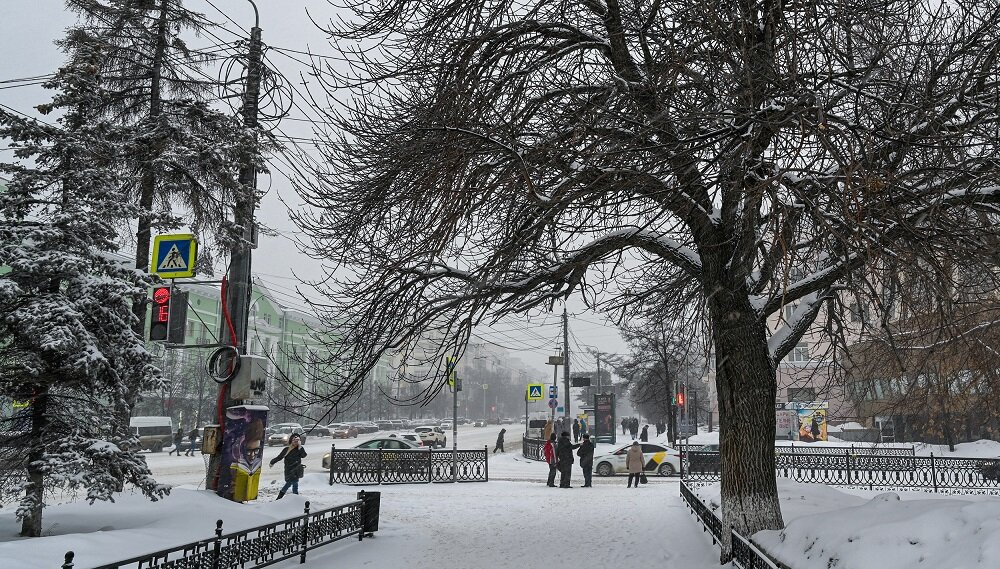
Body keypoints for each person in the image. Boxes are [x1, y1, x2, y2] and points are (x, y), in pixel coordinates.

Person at [270, 433, 307, 499]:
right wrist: (272, 462)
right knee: (292, 483)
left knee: (292, 483)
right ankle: (295, 498)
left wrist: (300, 447)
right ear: (291, 441)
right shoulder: (287, 449)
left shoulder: (300, 449)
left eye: (297, 441)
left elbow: (304, 455)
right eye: (294, 441)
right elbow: (279, 457)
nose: (295, 443)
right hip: (289, 470)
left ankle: (281, 498)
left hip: (296, 471)